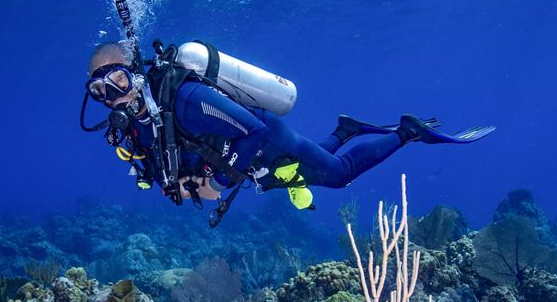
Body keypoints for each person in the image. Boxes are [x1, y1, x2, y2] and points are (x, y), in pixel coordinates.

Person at [82, 40, 494, 223]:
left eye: (117, 81)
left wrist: (217, 179)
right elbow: (162, 166)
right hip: (250, 164)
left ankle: (408, 131)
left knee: (337, 174)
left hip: (265, 143)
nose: (111, 97)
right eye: (99, 91)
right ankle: (346, 129)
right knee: (305, 170)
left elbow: (254, 130)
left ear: (135, 73)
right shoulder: (134, 127)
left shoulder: (186, 98)